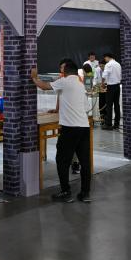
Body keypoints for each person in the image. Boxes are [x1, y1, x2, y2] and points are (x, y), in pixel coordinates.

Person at [31, 60, 91, 203]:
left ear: (66, 71)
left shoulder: (65, 81)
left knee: (62, 160)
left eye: (62, 69)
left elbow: (44, 86)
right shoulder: (80, 84)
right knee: (85, 161)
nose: (60, 71)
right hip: (84, 127)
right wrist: (60, 109)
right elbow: (86, 107)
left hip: (70, 128)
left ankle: (65, 191)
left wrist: (34, 77)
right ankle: (85, 193)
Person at [102, 53, 122, 130]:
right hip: (117, 86)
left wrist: (103, 84)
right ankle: (117, 123)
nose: (105, 59)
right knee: (117, 105)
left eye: (105, 58)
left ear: (107, 57)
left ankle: (108, 124)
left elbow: (104, 75)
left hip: (111, 87)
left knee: (109, 105)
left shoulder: (108, 64)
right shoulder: (118, 64)